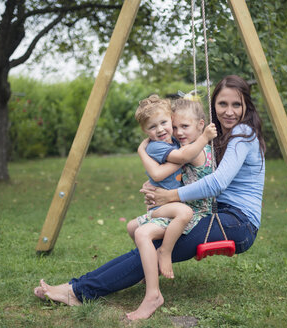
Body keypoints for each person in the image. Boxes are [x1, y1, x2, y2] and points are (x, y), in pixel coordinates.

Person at [34, 75, 266, 321]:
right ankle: (79, 288)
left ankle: (80, 291)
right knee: (143, 234)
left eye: (236, 105)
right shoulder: (217, 133)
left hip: (238, 222)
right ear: (213, 107)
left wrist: (170, 196)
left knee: (153, 246)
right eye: (222, 104)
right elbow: (191, 171)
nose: (229, 112)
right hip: (220, 212)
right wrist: (158, 187)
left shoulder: (242, 132)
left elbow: (217, 182)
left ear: (246, 106)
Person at [125, 96, 216, 320]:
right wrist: (203, 138)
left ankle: (151, 269)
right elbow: (179, 160)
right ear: (145, 131)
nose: (163, 129)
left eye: (167, 123)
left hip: (168, 201)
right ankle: (162, 257)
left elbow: (179, 160)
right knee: (180, 214)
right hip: (168, 204)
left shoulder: (175, 142)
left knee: (133, 227)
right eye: (152, 127)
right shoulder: (158, 147)